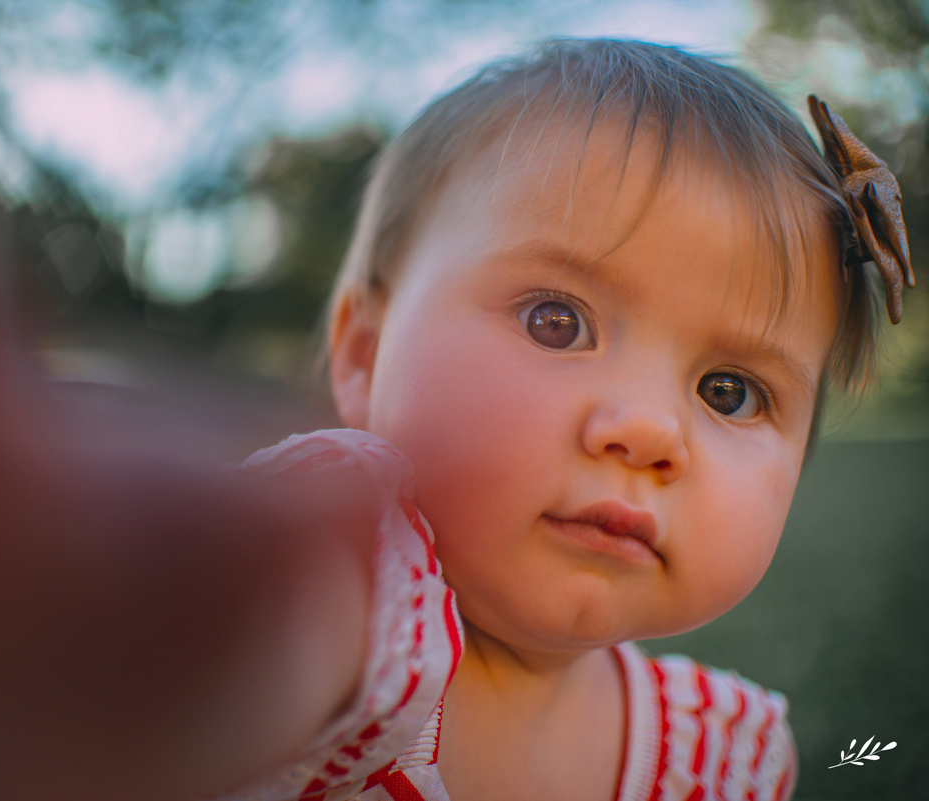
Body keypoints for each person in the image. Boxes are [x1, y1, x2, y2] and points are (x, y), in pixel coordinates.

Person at [209, 40, 914, 801]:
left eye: (728, 391)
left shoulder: (728, 759)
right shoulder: (323, 622)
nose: (648, 431)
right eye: (556, 321)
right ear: (366, 353)